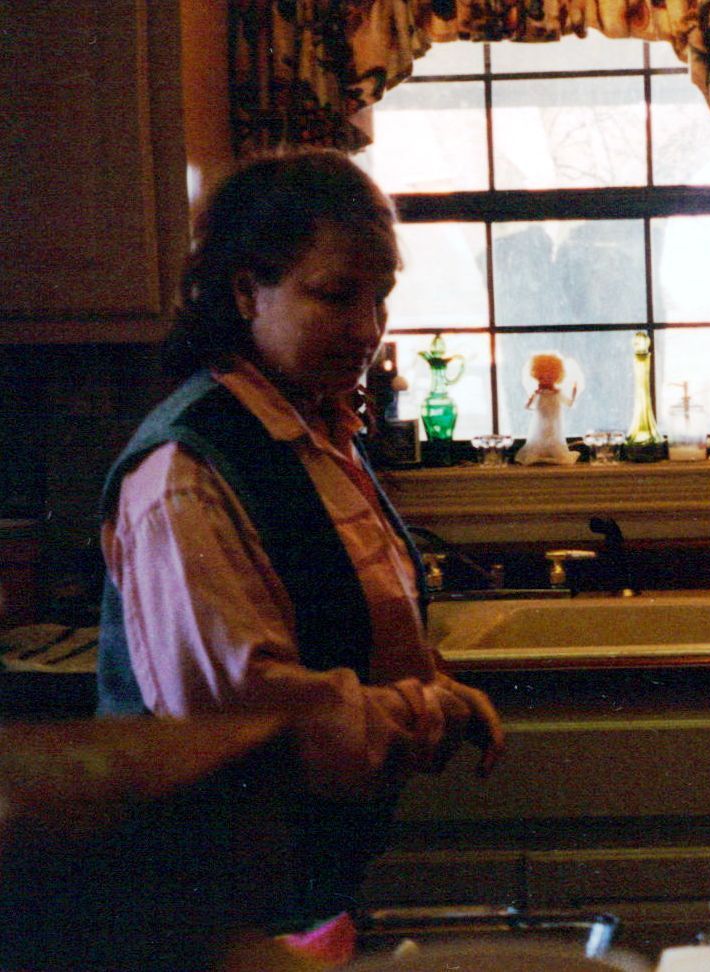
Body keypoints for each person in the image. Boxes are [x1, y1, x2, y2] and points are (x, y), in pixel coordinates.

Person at [96, 148, 504, 927]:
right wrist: (427, 714)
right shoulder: (186, 471)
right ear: (246, 291)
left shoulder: (312, 431)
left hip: (292, 887)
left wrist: (437, 688)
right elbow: (246, 729)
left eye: (380, 299)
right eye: (337, 296)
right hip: (202, 905)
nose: (368, 330)